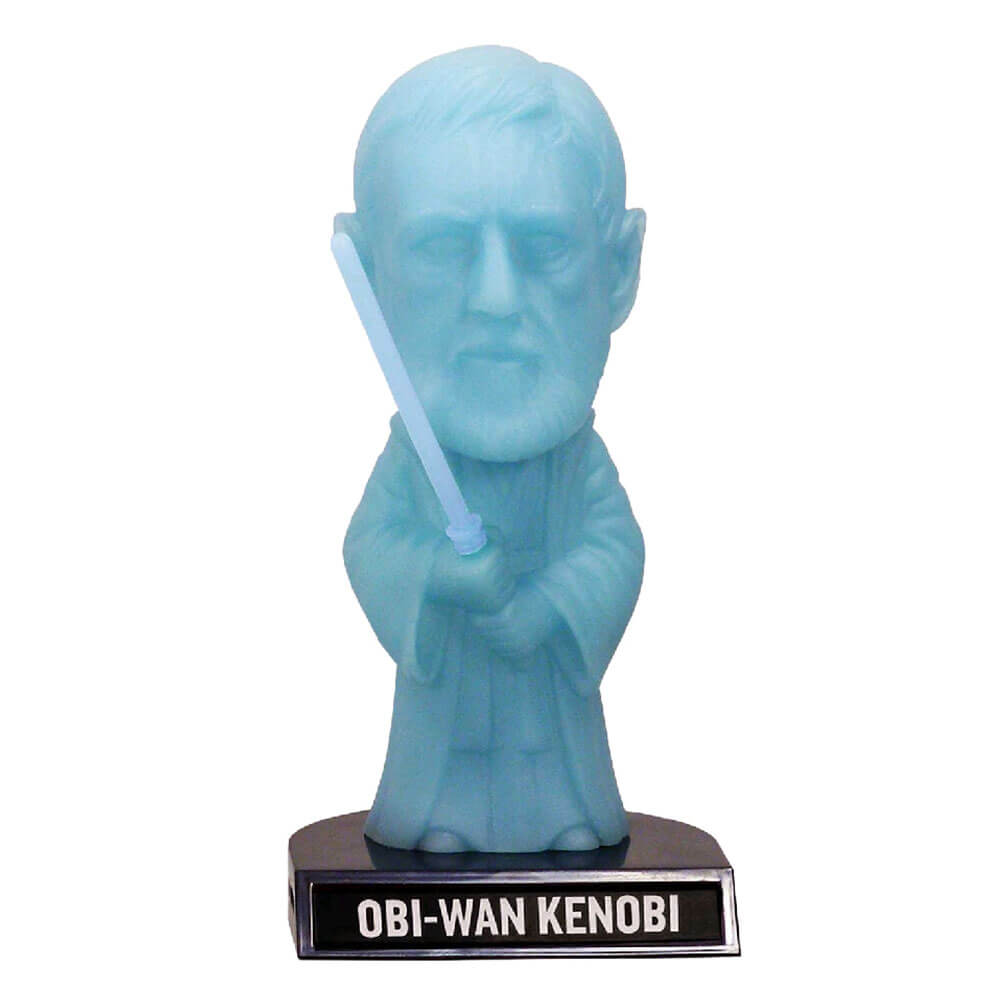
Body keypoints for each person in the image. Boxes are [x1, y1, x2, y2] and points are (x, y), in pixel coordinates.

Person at [338, 46, 646, 852]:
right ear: (371, 276)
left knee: (561, 778)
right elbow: (370, 545)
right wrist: (440, 573)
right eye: (443, 248)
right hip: (449, 712)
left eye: (544, 247)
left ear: (618, 269)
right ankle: (440, 823)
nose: (497, 299)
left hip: (548, 692)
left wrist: (548, 608)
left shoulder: (576, 465)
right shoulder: (413, 462)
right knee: (447, 778)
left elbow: (615, 547)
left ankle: (567, 821)